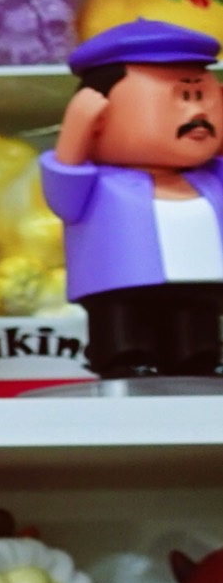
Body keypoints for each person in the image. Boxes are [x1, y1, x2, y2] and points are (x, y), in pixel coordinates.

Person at [42, 19, 223, 379]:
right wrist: (74, 135)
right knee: (125, 326)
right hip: (122, 283)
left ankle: (199, 358)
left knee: (197, 325)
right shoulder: (102, 183)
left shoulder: (211, 177)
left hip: (201, 280)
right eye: (181, 99)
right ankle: (125, 358)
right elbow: (64, 198)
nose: (197, 114)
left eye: (203, 97)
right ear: (98, 115)